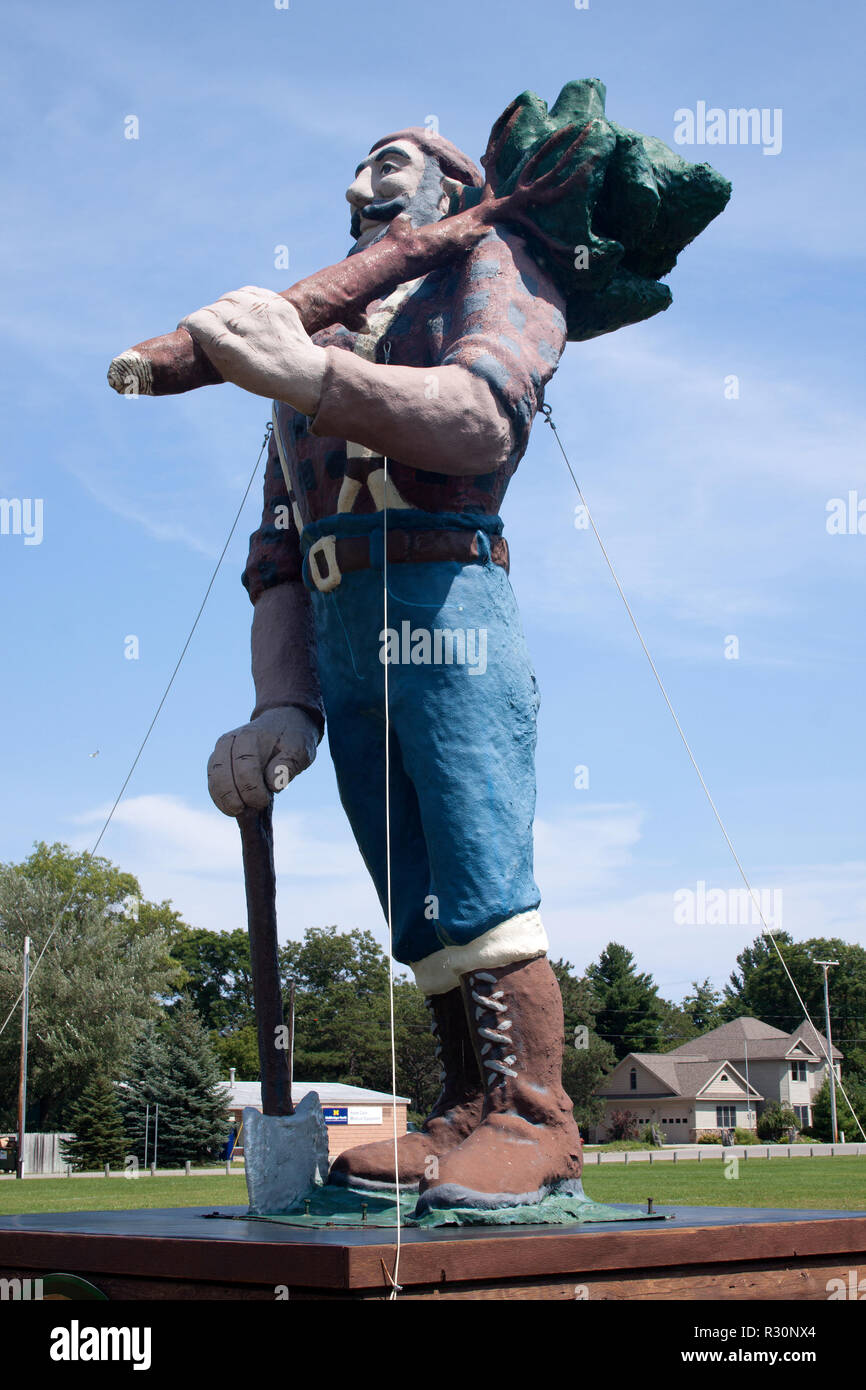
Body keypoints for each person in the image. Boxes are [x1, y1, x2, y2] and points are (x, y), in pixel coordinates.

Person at [183, 127, 583, 1212]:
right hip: (341, 621)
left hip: (445, 608)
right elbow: (277, 549)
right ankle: (464, 1099)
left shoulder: (489, 271)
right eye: (356, 175)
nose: (363, 189)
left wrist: (312, 373)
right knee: (408, 879)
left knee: (476, 855)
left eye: (391, 165)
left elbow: (477, 421)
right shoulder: (312, 328)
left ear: (455, 185)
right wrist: (282, 704)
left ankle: (532, 1111)